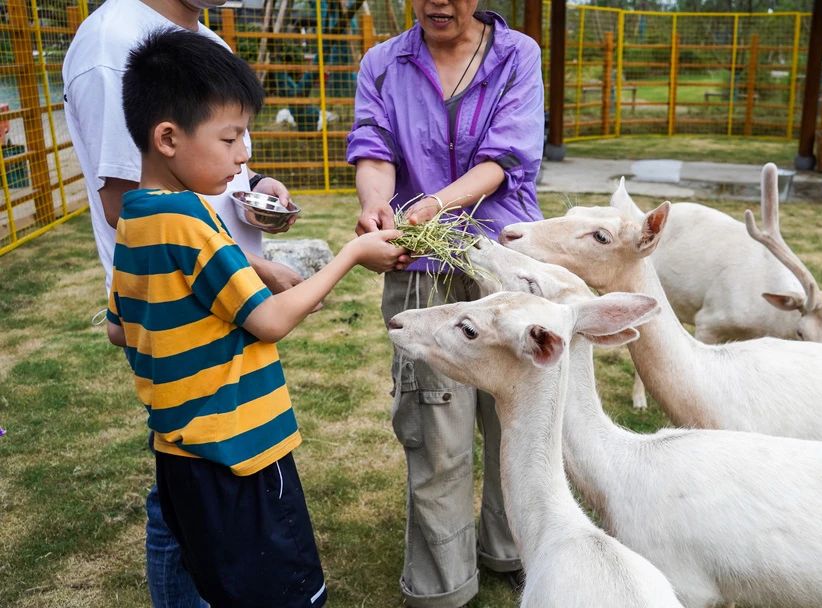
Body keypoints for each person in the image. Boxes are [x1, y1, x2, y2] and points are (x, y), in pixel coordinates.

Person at [106, 28, 408, 607]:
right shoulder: (192, 221)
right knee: (283, 593)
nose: (244, 153)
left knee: (220, 585)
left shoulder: (136, 219)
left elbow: (120, 325)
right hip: (239, 454)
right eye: (231, 137)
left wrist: (249, 277)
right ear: (168, 138)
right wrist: (351, 256)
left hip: (178, 454)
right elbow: (269, 322)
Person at [62, 0, 304, 604]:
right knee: (195, 492)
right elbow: (128, 205)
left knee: (195, 483)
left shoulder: (205, 40)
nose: (242, 148)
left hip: (221, 299)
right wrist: (253, 272)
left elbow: (210, 167)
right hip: (203, 303)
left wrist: (255, 191)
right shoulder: (111, 43)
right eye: (234, 138)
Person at [346, 1, 544, 606]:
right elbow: (374, 144)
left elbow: (504, 160)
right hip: (421, 269)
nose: (438, 1)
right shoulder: (383, 63)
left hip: (502, 267)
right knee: (436, 433)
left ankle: (513, 549)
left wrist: (430, 207)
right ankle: (443, 588)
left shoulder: (518, 56)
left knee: (516, 423)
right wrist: (379, 205)